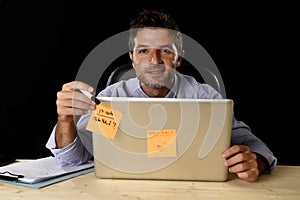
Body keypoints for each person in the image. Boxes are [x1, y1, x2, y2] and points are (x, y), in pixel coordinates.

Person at [46, 8, 277, 182]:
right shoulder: (111, 99)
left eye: (165, 51)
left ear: (178, 58)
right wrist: (66, 120)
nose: (154, 61)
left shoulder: (205, 98)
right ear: (133, 58)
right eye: (144, 51)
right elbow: (71, 160)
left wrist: (255, 160)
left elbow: (254, 146)